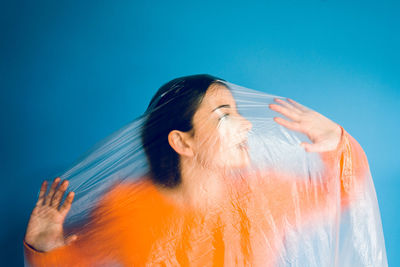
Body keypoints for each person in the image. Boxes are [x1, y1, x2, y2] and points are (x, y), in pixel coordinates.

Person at [23, 74, 370, 266]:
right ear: (182, 142)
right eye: (224, 115)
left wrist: (338, 141)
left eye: (237, 112)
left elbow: (338, 193)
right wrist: (43, 247)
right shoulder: (125, 207)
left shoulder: (264, 194)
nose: (245, 125)